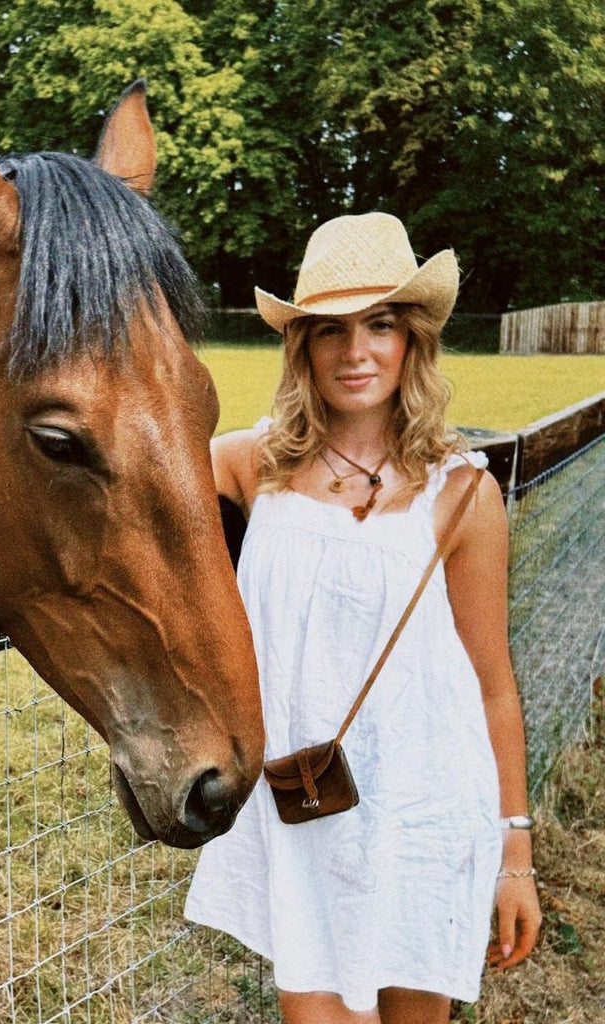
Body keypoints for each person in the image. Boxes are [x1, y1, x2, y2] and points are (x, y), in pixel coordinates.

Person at [185, 212, 542, 1023]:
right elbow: (123, 492)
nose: (356, 352)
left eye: (380, 325)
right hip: (308, 810)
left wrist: (512, 853)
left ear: (412, 339)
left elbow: (491, 684)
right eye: (331, 331)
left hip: (425, 814)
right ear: (302, 346)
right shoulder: (251, 466)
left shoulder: (463, 494)